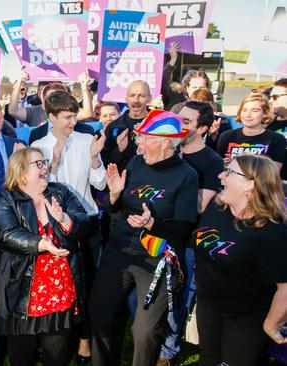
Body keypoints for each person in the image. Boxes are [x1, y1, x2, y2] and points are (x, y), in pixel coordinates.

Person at [90, 110, 198, 366]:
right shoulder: (137, 163)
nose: (138, 142)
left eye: (144, 137)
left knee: (145, 331)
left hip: (156, 261)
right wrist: (114, 196)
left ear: (165, 142)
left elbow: (183, 229)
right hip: (120, 251)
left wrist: (152, 224)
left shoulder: (186, 175)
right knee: (99, 313)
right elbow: (115, 208)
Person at [0, 147, 90, 366]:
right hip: (23, 292)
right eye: (38, 164)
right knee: (21, 356)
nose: (44, 167)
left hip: (60, 291)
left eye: (44, 162)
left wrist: (64, 219)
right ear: (21, 171)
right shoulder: (6, 199)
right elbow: (6, 235)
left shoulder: (60, 192)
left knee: (57, 356)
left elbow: (86, 221)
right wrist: (41, 243)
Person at [31, 91, 106, 363]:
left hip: (85, 224)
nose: (74, 121)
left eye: (75, 116)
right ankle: (54, 339)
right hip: (53, 229)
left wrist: (96, 159)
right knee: (58, 285)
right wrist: (54, 163)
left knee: (85, 284)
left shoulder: (87, 140)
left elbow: (99, 184)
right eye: (67, 117)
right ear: (51, 117)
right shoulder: (39, 144)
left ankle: (84, 342)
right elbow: (38, 186)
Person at [193, 155, 287, 365]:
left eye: (228, 172)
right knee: (208, 359)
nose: (220, 175)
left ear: (250, 185)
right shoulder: (217, 208)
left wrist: (271, 325)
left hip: (246, 317)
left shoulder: (272, 233)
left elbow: (285, 287)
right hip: (208, 305)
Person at [155, 101, 224, 366]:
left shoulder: (211, 162)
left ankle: (167, 352)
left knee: (177, 298)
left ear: (203, 128)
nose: (177, 125)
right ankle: (153, 339)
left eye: (186, 121)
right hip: (158, 235)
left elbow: (198, 206)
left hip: (188, 243)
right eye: (177, 119)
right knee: (153, 295)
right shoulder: (168, 151)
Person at [217, 93, 286, 170]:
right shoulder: (226, 136)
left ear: (265, 113)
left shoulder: (276, 139)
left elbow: (274, 172)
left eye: (255, 111)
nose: (248, 115)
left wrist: (242, 163)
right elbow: (218, 168)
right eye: (244, 110)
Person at [9, 72, 94, 128]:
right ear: (41, 95)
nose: (54, 100)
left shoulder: (68, 111)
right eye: (50, 96)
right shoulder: (34, 112)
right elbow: (13, 111)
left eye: (58, 96)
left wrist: (84, 88)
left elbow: (87, 113)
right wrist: (19, 82)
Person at [101, 80, 152, 170]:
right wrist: (119, 150)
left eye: (142, 96)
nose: (136, 100)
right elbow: (105, 162)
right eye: (132, 95)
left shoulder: (158, 125)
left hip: (151, 181)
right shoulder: (113, 126)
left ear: (149, 98)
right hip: (121, 181)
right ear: (126, 98)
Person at [27, 84, 95, 145]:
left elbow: (87, 113)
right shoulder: (36, 136)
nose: (73, 122)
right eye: (53, 98)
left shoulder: (87, 132)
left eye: (62, 97)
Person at [267, 79, 287, 181]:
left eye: (275, 97)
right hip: (273, 184)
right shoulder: (268, 125)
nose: (270, 101)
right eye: (270, 97)